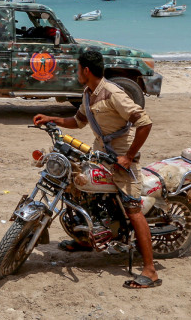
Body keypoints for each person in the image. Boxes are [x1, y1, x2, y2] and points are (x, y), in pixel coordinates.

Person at [32, 50, 159, 289]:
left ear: (86, 71)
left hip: (122, 162)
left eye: (78, 69)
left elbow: (145, 122)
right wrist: (52, 119)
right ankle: (86, 239)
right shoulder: (89, 93)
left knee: (133, 210)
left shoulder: (113, 94)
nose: (76, 73)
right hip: (99, 155)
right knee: (77, 188)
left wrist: (128, 156)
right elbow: (79, 121)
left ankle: (150, 270)